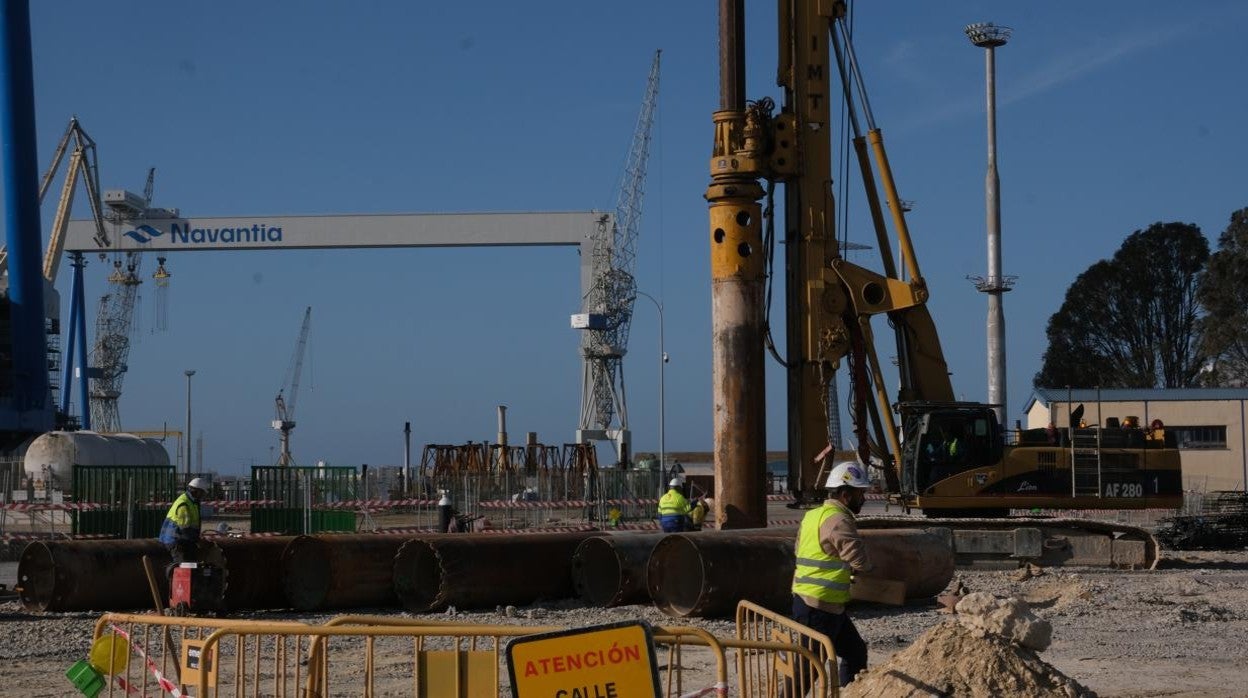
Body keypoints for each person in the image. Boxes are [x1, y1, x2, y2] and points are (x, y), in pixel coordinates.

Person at [791, 460, 872, 689]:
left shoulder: (813, 515)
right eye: (860, 494)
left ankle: (847, 693)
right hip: (818, 608)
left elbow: (799, 549)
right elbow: (859, 560)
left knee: (855, 652)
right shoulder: (839, 519)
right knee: (807, 672)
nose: (863, 499)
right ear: (845, 495)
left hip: (819, 604)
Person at [160, 477, 209, 564]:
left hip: (184, 539)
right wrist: (198, 541)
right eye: (202, 493)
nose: (202, 496)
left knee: (193, 563)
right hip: (174, 540)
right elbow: (185, 529)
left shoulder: (193, 502)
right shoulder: (183, 504)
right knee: (183, 565)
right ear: (196, 491)